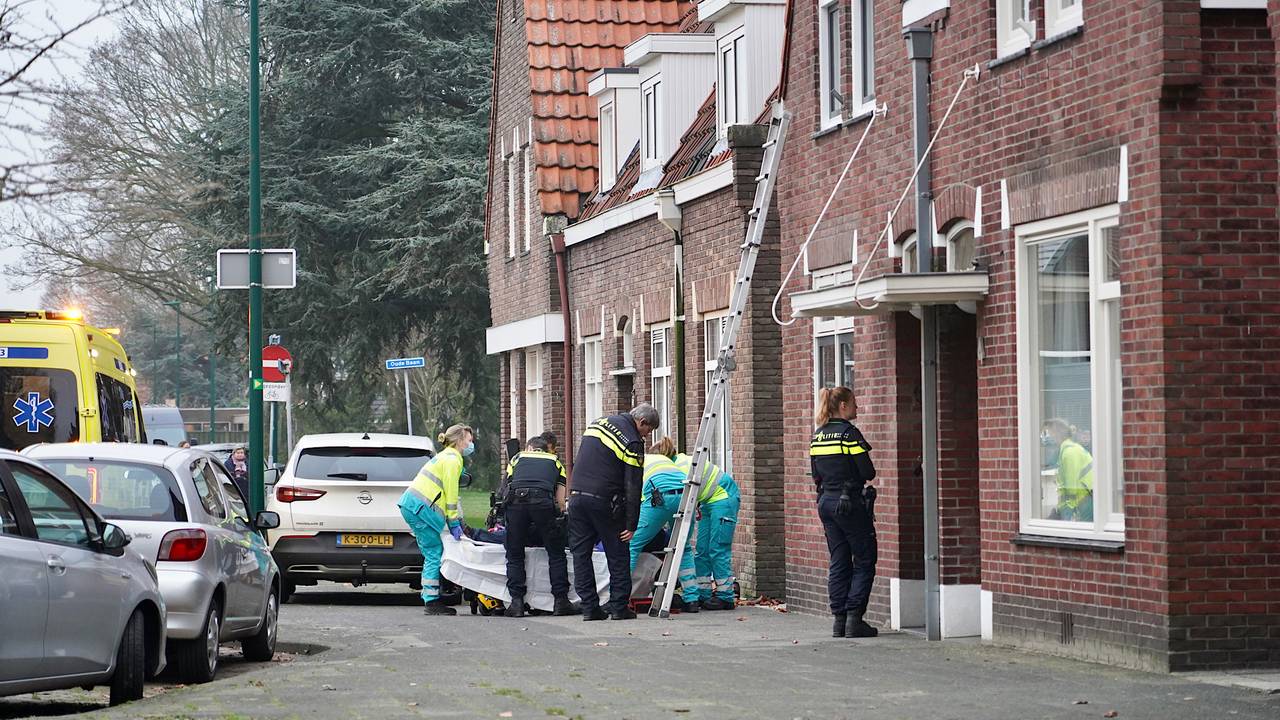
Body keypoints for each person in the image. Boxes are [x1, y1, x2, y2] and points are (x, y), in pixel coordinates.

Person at [568, 404, 657, 621]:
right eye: (649, 431)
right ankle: (618, 607)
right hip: (605, 501)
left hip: (577, 497)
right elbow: (633, 485)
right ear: (641, 422)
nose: (647, 436)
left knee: (581, 555)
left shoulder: (598, 423)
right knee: (618, 555)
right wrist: (631, 524)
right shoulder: (633, 441)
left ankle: (589, 608)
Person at [811, 386, 878, 639]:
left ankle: (839, 621)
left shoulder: (818, 436)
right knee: (864, 558)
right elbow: (867, 471)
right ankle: (854, 619)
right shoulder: (849, 435)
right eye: (854, 403)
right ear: (842, 406)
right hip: (849, 504)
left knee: (838, 560)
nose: (857, 408)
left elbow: (816, 474)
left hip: (826, 504)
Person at [399, 424, 472, 616]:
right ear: (459, 440)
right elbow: (451, 495)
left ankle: (432, 596)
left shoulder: (446, 456)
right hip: (420, 509)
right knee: (434, 552)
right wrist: (454, 522)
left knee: (432, 551)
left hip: (414, 507)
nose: (471, 444)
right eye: (469, 440)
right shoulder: (453, 460)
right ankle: (431, 601)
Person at [502, 434, 574, 617]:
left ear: (529, 447)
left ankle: (516, 602)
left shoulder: (517, 458)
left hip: (516, 501)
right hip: (543, 502)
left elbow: (506, 487)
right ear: (545, 449)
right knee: (556, 553)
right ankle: (560, 601)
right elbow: (560, 500)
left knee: (515, 553)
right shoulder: (556, 462)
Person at [629, 440, 699, 613]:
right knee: (683, 547)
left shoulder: (637, 461)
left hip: (658, 495)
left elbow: (633, 496)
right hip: (685, 495)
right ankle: (692, 599)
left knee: (632, 545)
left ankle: (620, 597)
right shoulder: (667, 462)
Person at [672, 447, 741, 611]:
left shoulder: (678, 467)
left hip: (723, 498)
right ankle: (704, 593)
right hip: (707, 501)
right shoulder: (678, 463)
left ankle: (726, 597)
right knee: (702, 549)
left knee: (718, 549)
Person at [1043, 418, 1094, 522]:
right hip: (1084, 500)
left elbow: (1071, 488)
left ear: (1057, 434)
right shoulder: (1068, 449)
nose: (1046, 438)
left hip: (1085, 501)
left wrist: (1065, 513)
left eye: (1048, 433)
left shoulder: (1069, 453)